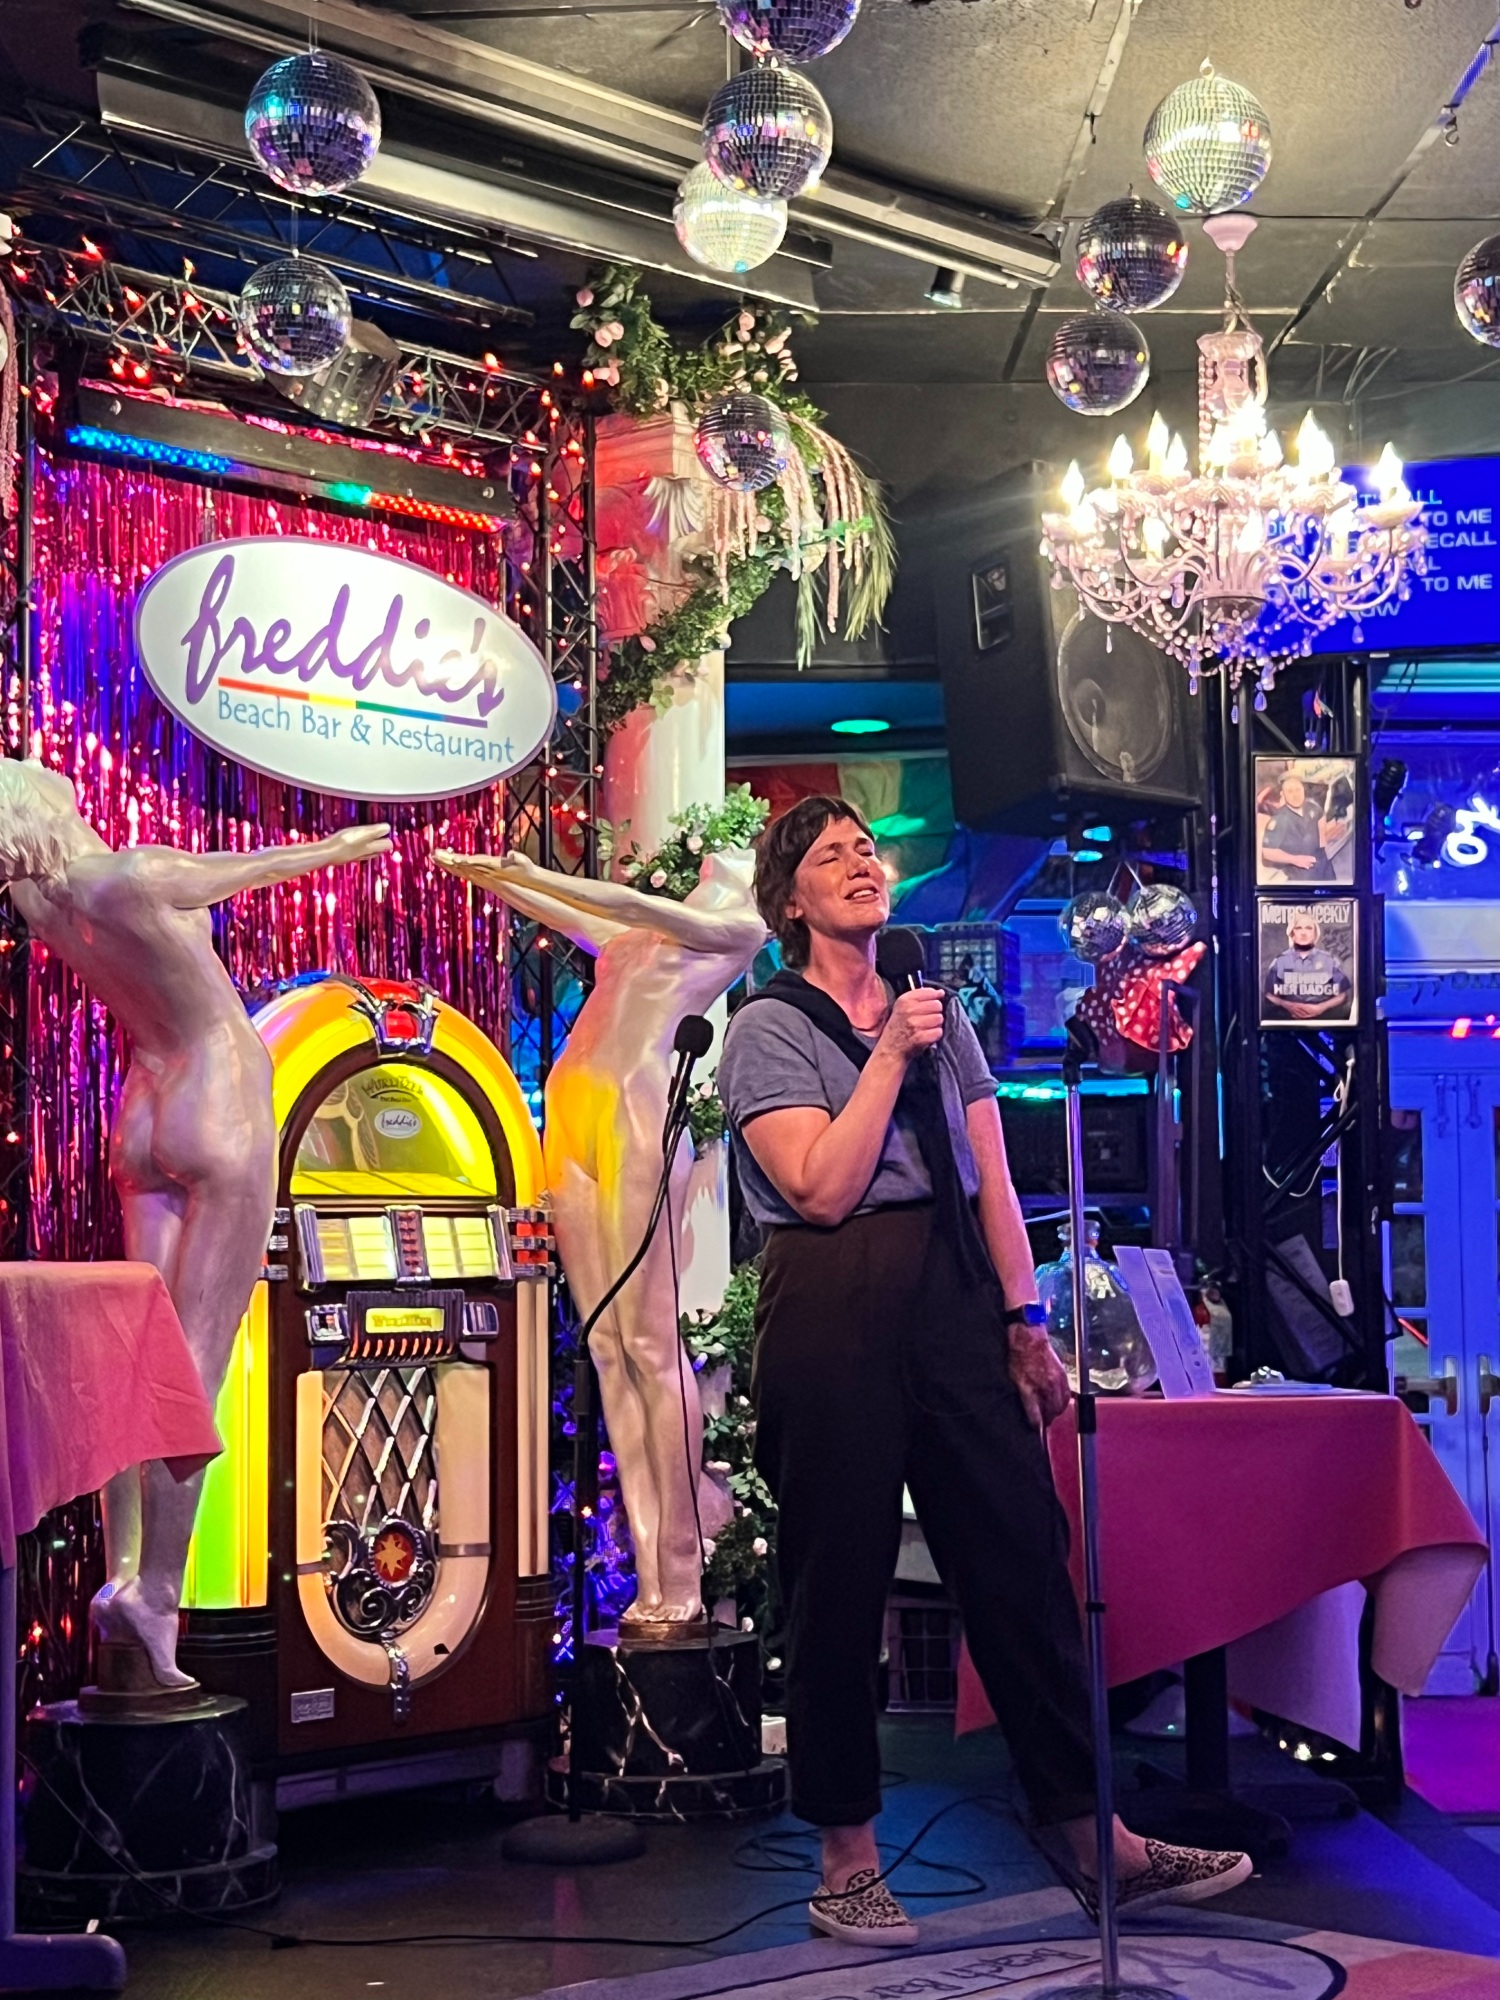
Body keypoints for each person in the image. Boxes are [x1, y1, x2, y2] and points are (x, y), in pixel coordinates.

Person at [717, 797, 1251, 1949]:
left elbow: (993, 1179)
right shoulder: (767, 1025)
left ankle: (1094, 1838)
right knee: (836, 1578)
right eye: (830, 854)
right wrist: (886, 1056)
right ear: (790, 899)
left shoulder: (938, 1008)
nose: (861, 862)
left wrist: (1024, 1316)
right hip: (832, 1300)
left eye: (867, 847)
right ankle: (847, 1861)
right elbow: (819, 1185)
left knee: (1020, 1554)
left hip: (957, 1292)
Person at [0, 760, 392, 1688]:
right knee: (190, 1373)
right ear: (38, 806)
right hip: (217, 1097)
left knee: (137, 1360)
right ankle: (160, 1594)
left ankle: (123, 1577)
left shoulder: (37, 900)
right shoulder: (125, 874)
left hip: (144, 1109)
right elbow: (245, 870)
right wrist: (336, 847)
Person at [435, 844, 766, 1626]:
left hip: (633, 1110)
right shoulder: (644, 940)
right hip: (574, 1108)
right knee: (608, 1347)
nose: (723, 855)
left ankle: (682, 1571)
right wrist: (503, 882)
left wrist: (532, 875)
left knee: (650, 1343)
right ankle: (648, 1569)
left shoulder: (736, 925)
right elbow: (590, 919)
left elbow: (630, 905)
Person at [1264, 910, 1353, 1022]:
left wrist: (1321, 1008)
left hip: (1325, 1021)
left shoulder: (1330, 960)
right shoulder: (1280, 961)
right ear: (1292, 933)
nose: (1303, 933)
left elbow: (1343, 995)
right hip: (1288, 1022)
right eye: (1298, 928)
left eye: (1308, 928)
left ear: (1315, 933)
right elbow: (1268, 994)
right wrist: (1287, 1005)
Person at [1261, 772, 1335, 882]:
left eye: (1298, 790)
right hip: (1300, 872)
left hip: (1323, 864)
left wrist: (1323, 843)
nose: (1295, 795)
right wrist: (1295, 860)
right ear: (1283, 794)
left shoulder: (1313, 807)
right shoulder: (1279, 819)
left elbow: (1321, 821)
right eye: (1290, 791)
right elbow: (1268, 853)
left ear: (1303, 790)